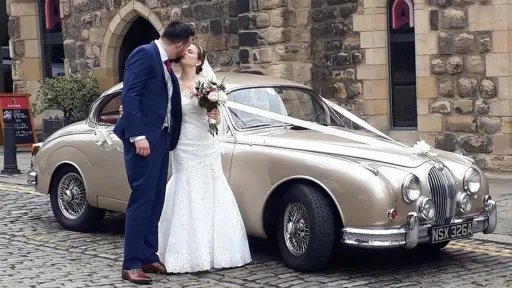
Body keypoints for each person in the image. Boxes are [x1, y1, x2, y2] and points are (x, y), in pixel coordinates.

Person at [120, 43, 252, 274]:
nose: (185, 53)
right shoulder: (170, 79)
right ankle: (170, 250)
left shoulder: (208, 85)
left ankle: (213, 248)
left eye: (191, 52)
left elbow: (216, 120)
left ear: (199, 61)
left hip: (205, 142)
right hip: (181, 143)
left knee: (211, 186)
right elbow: (150, 101)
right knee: (182, 187)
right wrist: (128, 111)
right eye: (185, 50)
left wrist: (215, 115)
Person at [113, 21, 195, 285]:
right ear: (180, 45)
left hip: (160, 139)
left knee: (156, 199)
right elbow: (130, 95)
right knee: (142, 199)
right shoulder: (144, 54)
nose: (187, 51)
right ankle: (131, 264)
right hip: (144, 140)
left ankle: (148, 255)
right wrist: (138, 136)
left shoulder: (164, 63)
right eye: (188, 46)